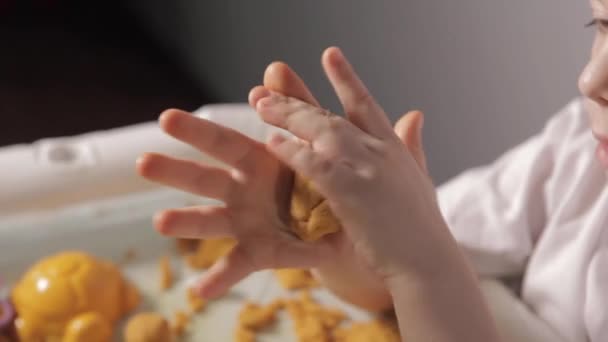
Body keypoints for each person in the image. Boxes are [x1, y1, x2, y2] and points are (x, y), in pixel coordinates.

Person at [136, 2, 608, 340]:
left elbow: (428, 271)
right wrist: (349, 248)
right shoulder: (577, 154)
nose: (590, 82)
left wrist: (421, 269)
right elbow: (398, 286)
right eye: (601, 26)